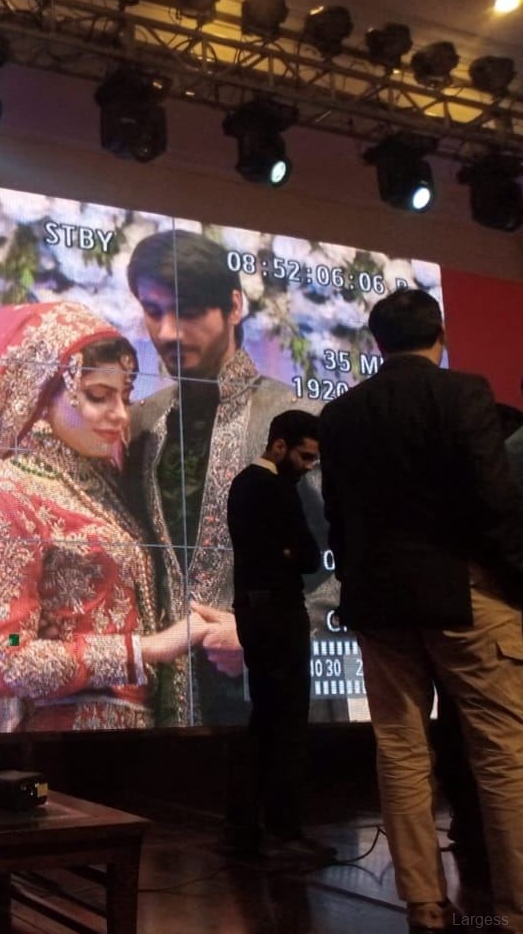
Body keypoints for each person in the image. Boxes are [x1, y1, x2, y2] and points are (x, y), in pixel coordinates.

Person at [0, 301, 220, 734]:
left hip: (133, 738)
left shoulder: (102, 488)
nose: (120, 414)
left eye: (124, 397)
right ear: (43, 389)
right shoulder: (7, 491)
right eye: (98, 396)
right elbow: (0, 654)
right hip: (63, 743)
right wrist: (147, 649)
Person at [318, 288, 523, 934]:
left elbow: (337, 518)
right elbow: (494, 502)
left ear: (377, 343)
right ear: (441, 335)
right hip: (465, 593)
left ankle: (424, 906)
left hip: (379, 603)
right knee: (502, 753)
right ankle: (515, 911)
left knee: (401, 751)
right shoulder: (464, 393)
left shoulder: (340, 413)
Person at [124, 229, 345, 725]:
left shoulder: (299, 419)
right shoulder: (141, 425)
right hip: (162, 713)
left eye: (188, 312)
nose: (168, 332)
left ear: (234, 306)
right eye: (154, 311)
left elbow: (359, 559)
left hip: (281, 701)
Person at [222, 409, 335, 861]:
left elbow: (301, 553)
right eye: (305, 457)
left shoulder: (242, 484)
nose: (308, 467)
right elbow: (308, 557)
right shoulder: (276, 488)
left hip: (253, 613)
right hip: (280, 616)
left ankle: (245, 827)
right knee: (286, 724)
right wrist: (293, 551)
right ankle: (283, 832)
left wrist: (293, 550)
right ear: (279, 445)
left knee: (266, 720)